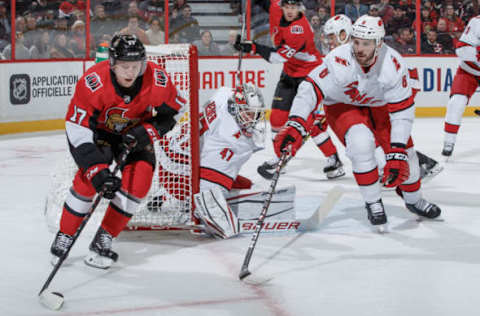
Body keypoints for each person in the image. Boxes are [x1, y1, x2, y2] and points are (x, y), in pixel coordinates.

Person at [273, 15, 442, 231]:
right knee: (360, 145)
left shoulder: (393, 64)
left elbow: (402, 112)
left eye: (366, 44)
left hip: (380, 108)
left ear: (379, 44)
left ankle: (414, 201)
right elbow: (310, 89)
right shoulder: (338, 58)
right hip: (343, 106)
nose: (359, 49)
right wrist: (296, 123)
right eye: (356, 42)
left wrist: (398, 150)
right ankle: (373, 202)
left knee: (407, 160)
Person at [49, 34, 185, 269]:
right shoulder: (93, 83)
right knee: (87, 182)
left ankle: (104, 237)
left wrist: (149, 131)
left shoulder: (157, 80)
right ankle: (66, 234)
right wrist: (97, 172)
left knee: (139, 183)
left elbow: (175, 112)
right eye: (124, 66)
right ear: (112, 63)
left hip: (135, 135)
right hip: (100, 135)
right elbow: (76, 129)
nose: (130, 73)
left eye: (135, 66)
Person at [235, 0, 345, 181]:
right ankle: (281, 158)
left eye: (294, 7)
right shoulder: (277, 10)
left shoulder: (299, 29)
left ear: (299, 8)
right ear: (282, 7)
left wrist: (252, 47)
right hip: (290, 73)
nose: (291, 11)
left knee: (310, 124)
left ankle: (333, 160)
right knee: (277, 120)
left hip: (310, 76)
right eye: (287, 7)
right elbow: (266, 5)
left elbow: (277, 57)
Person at [151, 83, 269, 238]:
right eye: (248, 113)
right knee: (219, 195)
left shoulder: (224, 95)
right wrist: (223, 224)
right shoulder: (231, 140)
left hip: (171, 148)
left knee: (244, 184)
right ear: (234, 109)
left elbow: (226, 92)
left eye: (255, 114)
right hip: (178, 173)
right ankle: (181, 203)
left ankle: (166, 194)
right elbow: (210, 190)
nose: (253, 119)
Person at [442, 15, 480, 158]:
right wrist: (477, 54)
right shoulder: (477, 22)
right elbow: (462, 49)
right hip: (469, 70)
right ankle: (449, 142)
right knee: (456, 103)